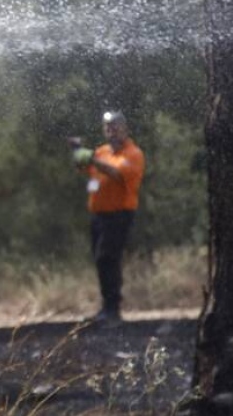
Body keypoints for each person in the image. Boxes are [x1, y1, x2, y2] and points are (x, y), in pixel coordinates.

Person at [71, 111, 145, 325]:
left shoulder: (132, 154)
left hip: (119, 215)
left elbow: (116, 173)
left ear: (125, 128)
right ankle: (106, 307)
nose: (112, 131)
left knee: (107, 257)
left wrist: (91, 158)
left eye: (116, 126)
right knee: (100, 258)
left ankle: (113, 309)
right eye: (108, 127)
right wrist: (78, 152)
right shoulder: (102, 151)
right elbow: (83, 168)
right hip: (98, 215)